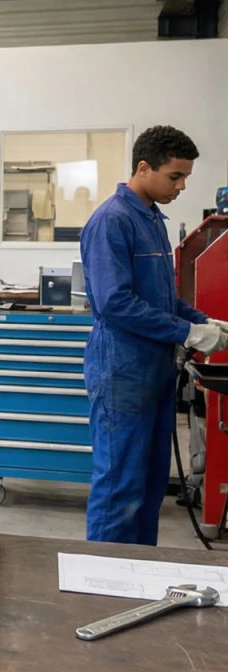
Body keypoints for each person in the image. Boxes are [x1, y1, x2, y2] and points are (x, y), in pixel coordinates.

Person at [81, 126, 228, 545]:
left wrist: (206, 323)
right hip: (122, 371)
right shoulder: (112, 220)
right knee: (121, 486)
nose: (181, 187)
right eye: (174, 177)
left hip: (153, 370)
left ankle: (139, 572)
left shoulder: (152, 221)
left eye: (185, 178)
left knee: (148, 485)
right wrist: (188, 332)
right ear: (144, 168)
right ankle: (104, 581)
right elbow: (115, 303)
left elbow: (163, 298)